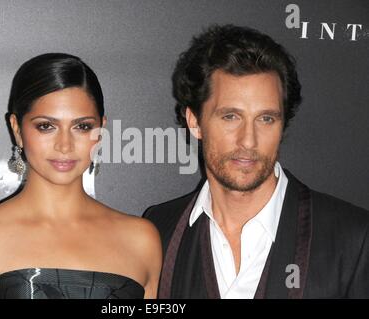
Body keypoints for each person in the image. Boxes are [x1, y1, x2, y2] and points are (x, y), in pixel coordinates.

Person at [144, 24, 369, 299]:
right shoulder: (157, 231)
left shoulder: (353, 238)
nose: (248, 141)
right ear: (195, 122)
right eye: (231, 117)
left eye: (266, 119)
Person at [0, 53, 161, 299]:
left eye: (82, 126)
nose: (64, 145)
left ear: (100, 130)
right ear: (17, 129)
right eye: (46, 126)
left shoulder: (141, 240)